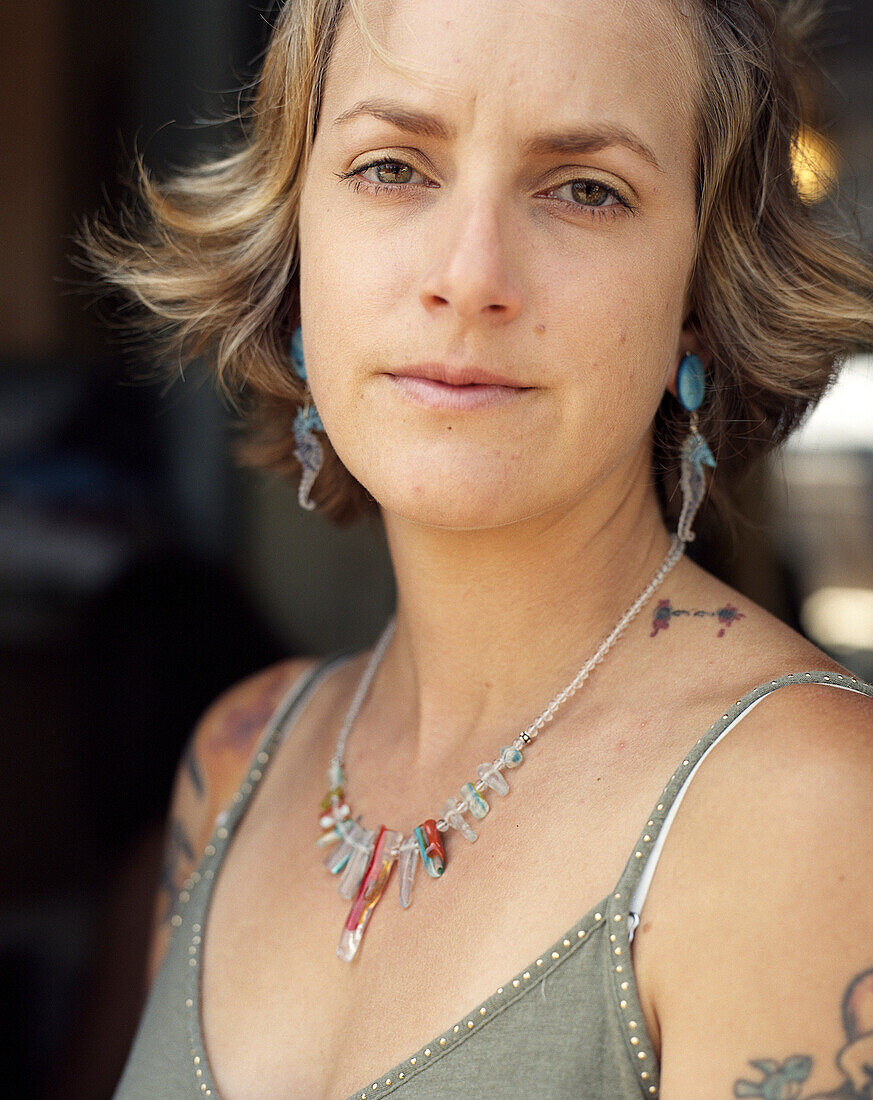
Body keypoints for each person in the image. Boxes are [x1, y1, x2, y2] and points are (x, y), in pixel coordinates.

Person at [80, 0, 873, 1096]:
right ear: (296, 239)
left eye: (586, 187)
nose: (470, 273)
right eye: (394, 167)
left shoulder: (810, 804)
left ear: (700, 291)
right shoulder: (238, 760)